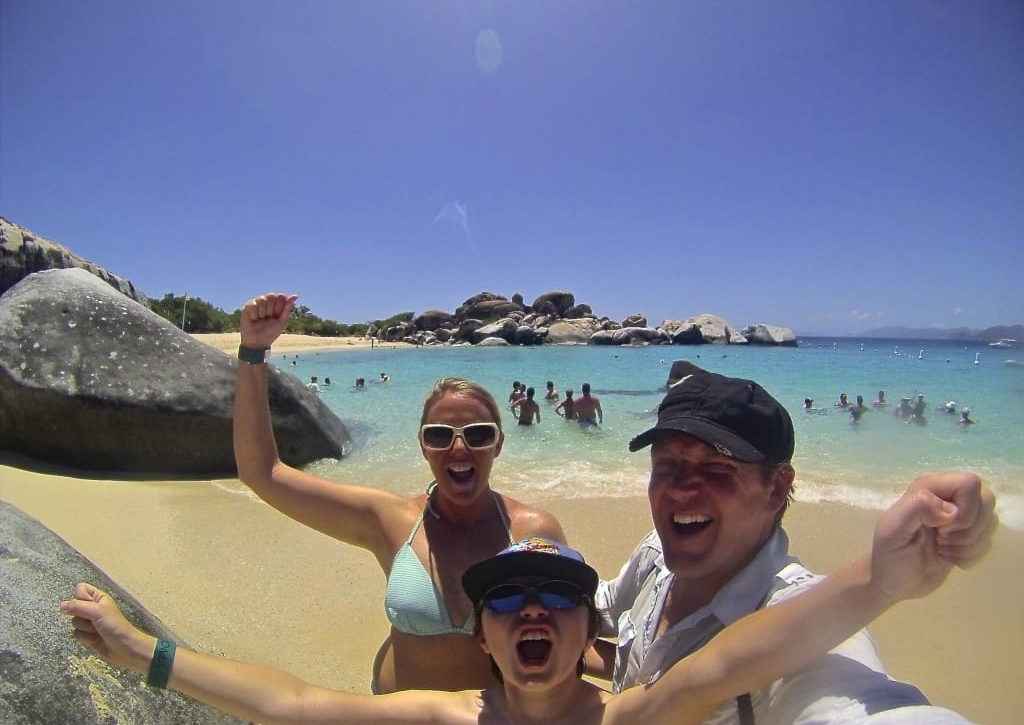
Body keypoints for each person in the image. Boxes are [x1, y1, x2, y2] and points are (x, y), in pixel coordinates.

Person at [62, 490, 989, 725]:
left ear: (593, 631)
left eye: (557, 595)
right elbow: (292, 704)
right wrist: (138, 649)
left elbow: (746, 654)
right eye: (506, 599)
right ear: (487, 636)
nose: (531, 608)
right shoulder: (448, 714)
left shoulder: (636, 711)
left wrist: (880, 580)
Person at [592, 361, 996, 724]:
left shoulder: (800, 618)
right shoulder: (655, 556)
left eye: (717, 468)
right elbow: (602, 606)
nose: (680, 489)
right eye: (667, 465)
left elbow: (857, 706)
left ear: (776, 489)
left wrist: (882, 580)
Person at [233, 292, 566, 693]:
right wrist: (253, 353)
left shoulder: (533, 533)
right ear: (423, 446)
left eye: (478, 435)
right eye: (440, 436)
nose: (459, 448)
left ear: (498, 444)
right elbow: (263, 473)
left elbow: (571, 641)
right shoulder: (389, 521)